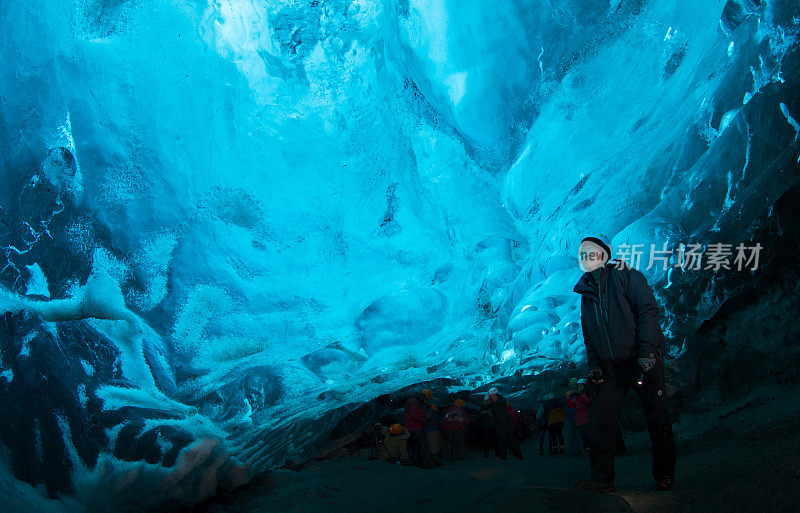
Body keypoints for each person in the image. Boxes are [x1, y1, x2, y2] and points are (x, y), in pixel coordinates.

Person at [573, 235, 676, 493]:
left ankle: (664, 475)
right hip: (612, 369)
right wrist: (594, 367)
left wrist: (648, 352)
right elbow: (590, 336)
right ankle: (602, 480)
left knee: (657, 418)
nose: (586, 256)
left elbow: (647, 311)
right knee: (598, 420)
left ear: (605, 254)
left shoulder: (625, 276)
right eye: (582, 253)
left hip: (641, 360)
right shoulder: (585, 296)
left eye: (591, 251)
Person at [483, 388, 522, 460]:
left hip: (501, 423)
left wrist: (487, 403)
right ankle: (516, 455)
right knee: (507, 440)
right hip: (503, 423)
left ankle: (506, 456)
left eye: (492, 395)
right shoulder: (502, 401)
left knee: (505, 440)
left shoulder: (497, 403)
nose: (491, 397)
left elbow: (489, 408)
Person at [404, 388, 431, 467]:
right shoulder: (414, 401)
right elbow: (413, 415)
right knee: (423, 443)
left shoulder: (413, 400)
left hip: (412, 426)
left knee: (416, 444)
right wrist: (424, 419)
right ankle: (422, 461)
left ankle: (416, 461)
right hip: (414, 427)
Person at [566, 379, 593, 456]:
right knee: (583, 436)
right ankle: (586, 450)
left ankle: (591, 449)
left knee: (588, 435)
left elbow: (588, 401)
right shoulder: (578, 396)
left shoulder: (587, 394)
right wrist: (569, 398)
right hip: (579, 420)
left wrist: (577, 396)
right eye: (579, 385)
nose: (579, 387)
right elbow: (571, 405)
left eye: (581, 385)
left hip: (587, 418)